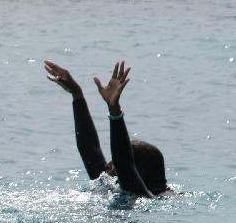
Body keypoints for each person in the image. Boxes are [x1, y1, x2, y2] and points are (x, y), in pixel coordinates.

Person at [45, 60, 168, 198]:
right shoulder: (114, 186)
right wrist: (77, 94)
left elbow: (123, 161)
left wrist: (115, 110)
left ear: (136, 173)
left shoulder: (139, 194)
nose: (108, 165)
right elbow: (90, 150)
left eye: (114, 163)